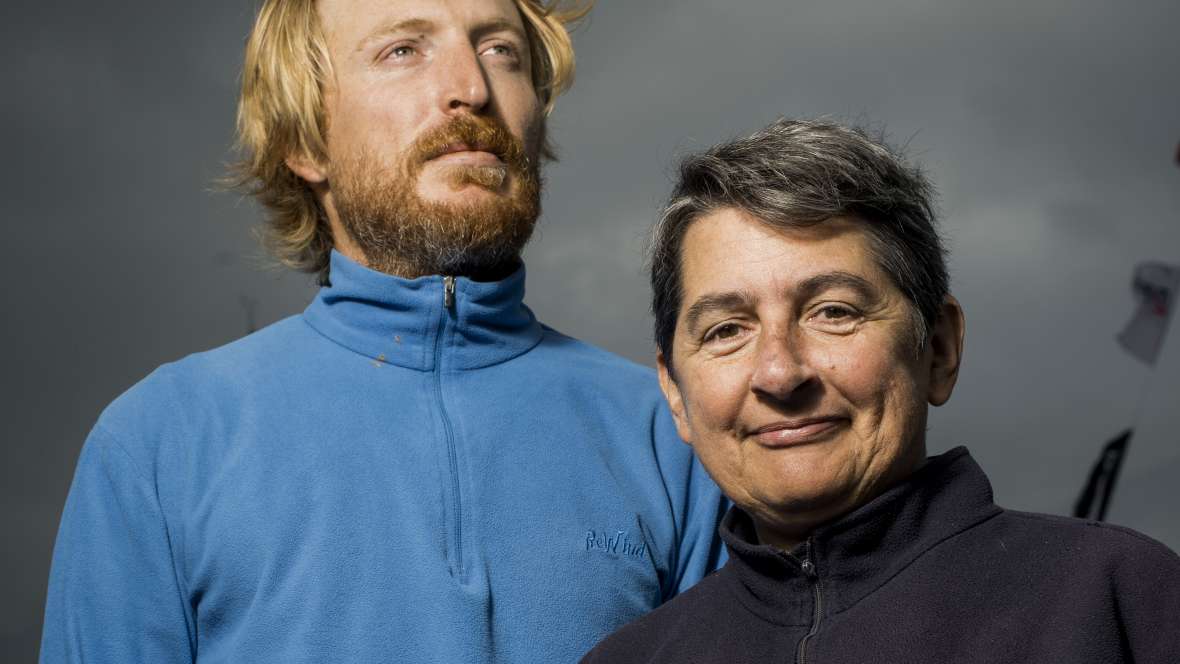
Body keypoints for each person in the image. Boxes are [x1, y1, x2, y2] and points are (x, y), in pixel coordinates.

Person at [39, 1, 725, 661]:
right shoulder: (161, 444)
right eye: (404, 49)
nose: (470, 88)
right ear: (307, 141)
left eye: (500, 50)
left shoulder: (675, 435)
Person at [582, 118, 1180, 663]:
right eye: (727, 330)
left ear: (939, 349)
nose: (779, 373)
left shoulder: (1121, 598)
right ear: (677, 394)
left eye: (833, 311)